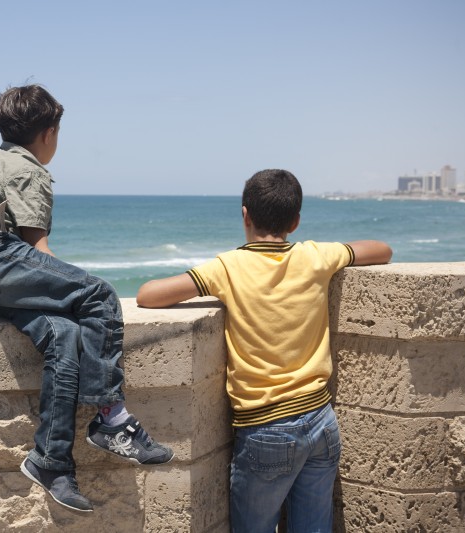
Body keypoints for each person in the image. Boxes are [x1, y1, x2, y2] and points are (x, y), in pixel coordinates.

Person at [0, 84, 173, 513]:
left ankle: (51, 461)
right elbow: (36, 251)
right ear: (49, 133)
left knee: (63, 336)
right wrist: (76, 291)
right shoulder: (31, 169)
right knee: (100, 295)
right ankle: (112, 419)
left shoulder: (1, 159)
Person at [136, 169, 392, 532]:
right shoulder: (317, 256)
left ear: (245, 215)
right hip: (320, 418)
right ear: (296, 221)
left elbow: (148, 295)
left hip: (266, 428)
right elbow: (382, 250)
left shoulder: (227, 267)